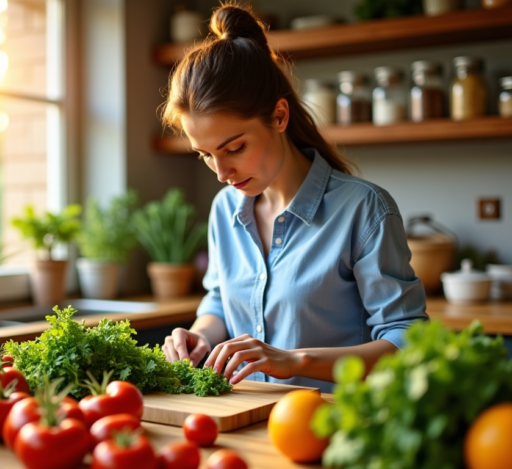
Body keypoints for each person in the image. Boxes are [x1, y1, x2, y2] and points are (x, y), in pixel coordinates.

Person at [160, 3, 428, 391]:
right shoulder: (225, 209)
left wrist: (294, 360)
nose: (221, 173)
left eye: (234, 148)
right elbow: (220, 300)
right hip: (248, 416)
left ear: (279, 116)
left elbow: (406, 342)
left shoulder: (364, 210)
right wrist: (201, 334)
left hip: (333, 418)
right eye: (205, 155)